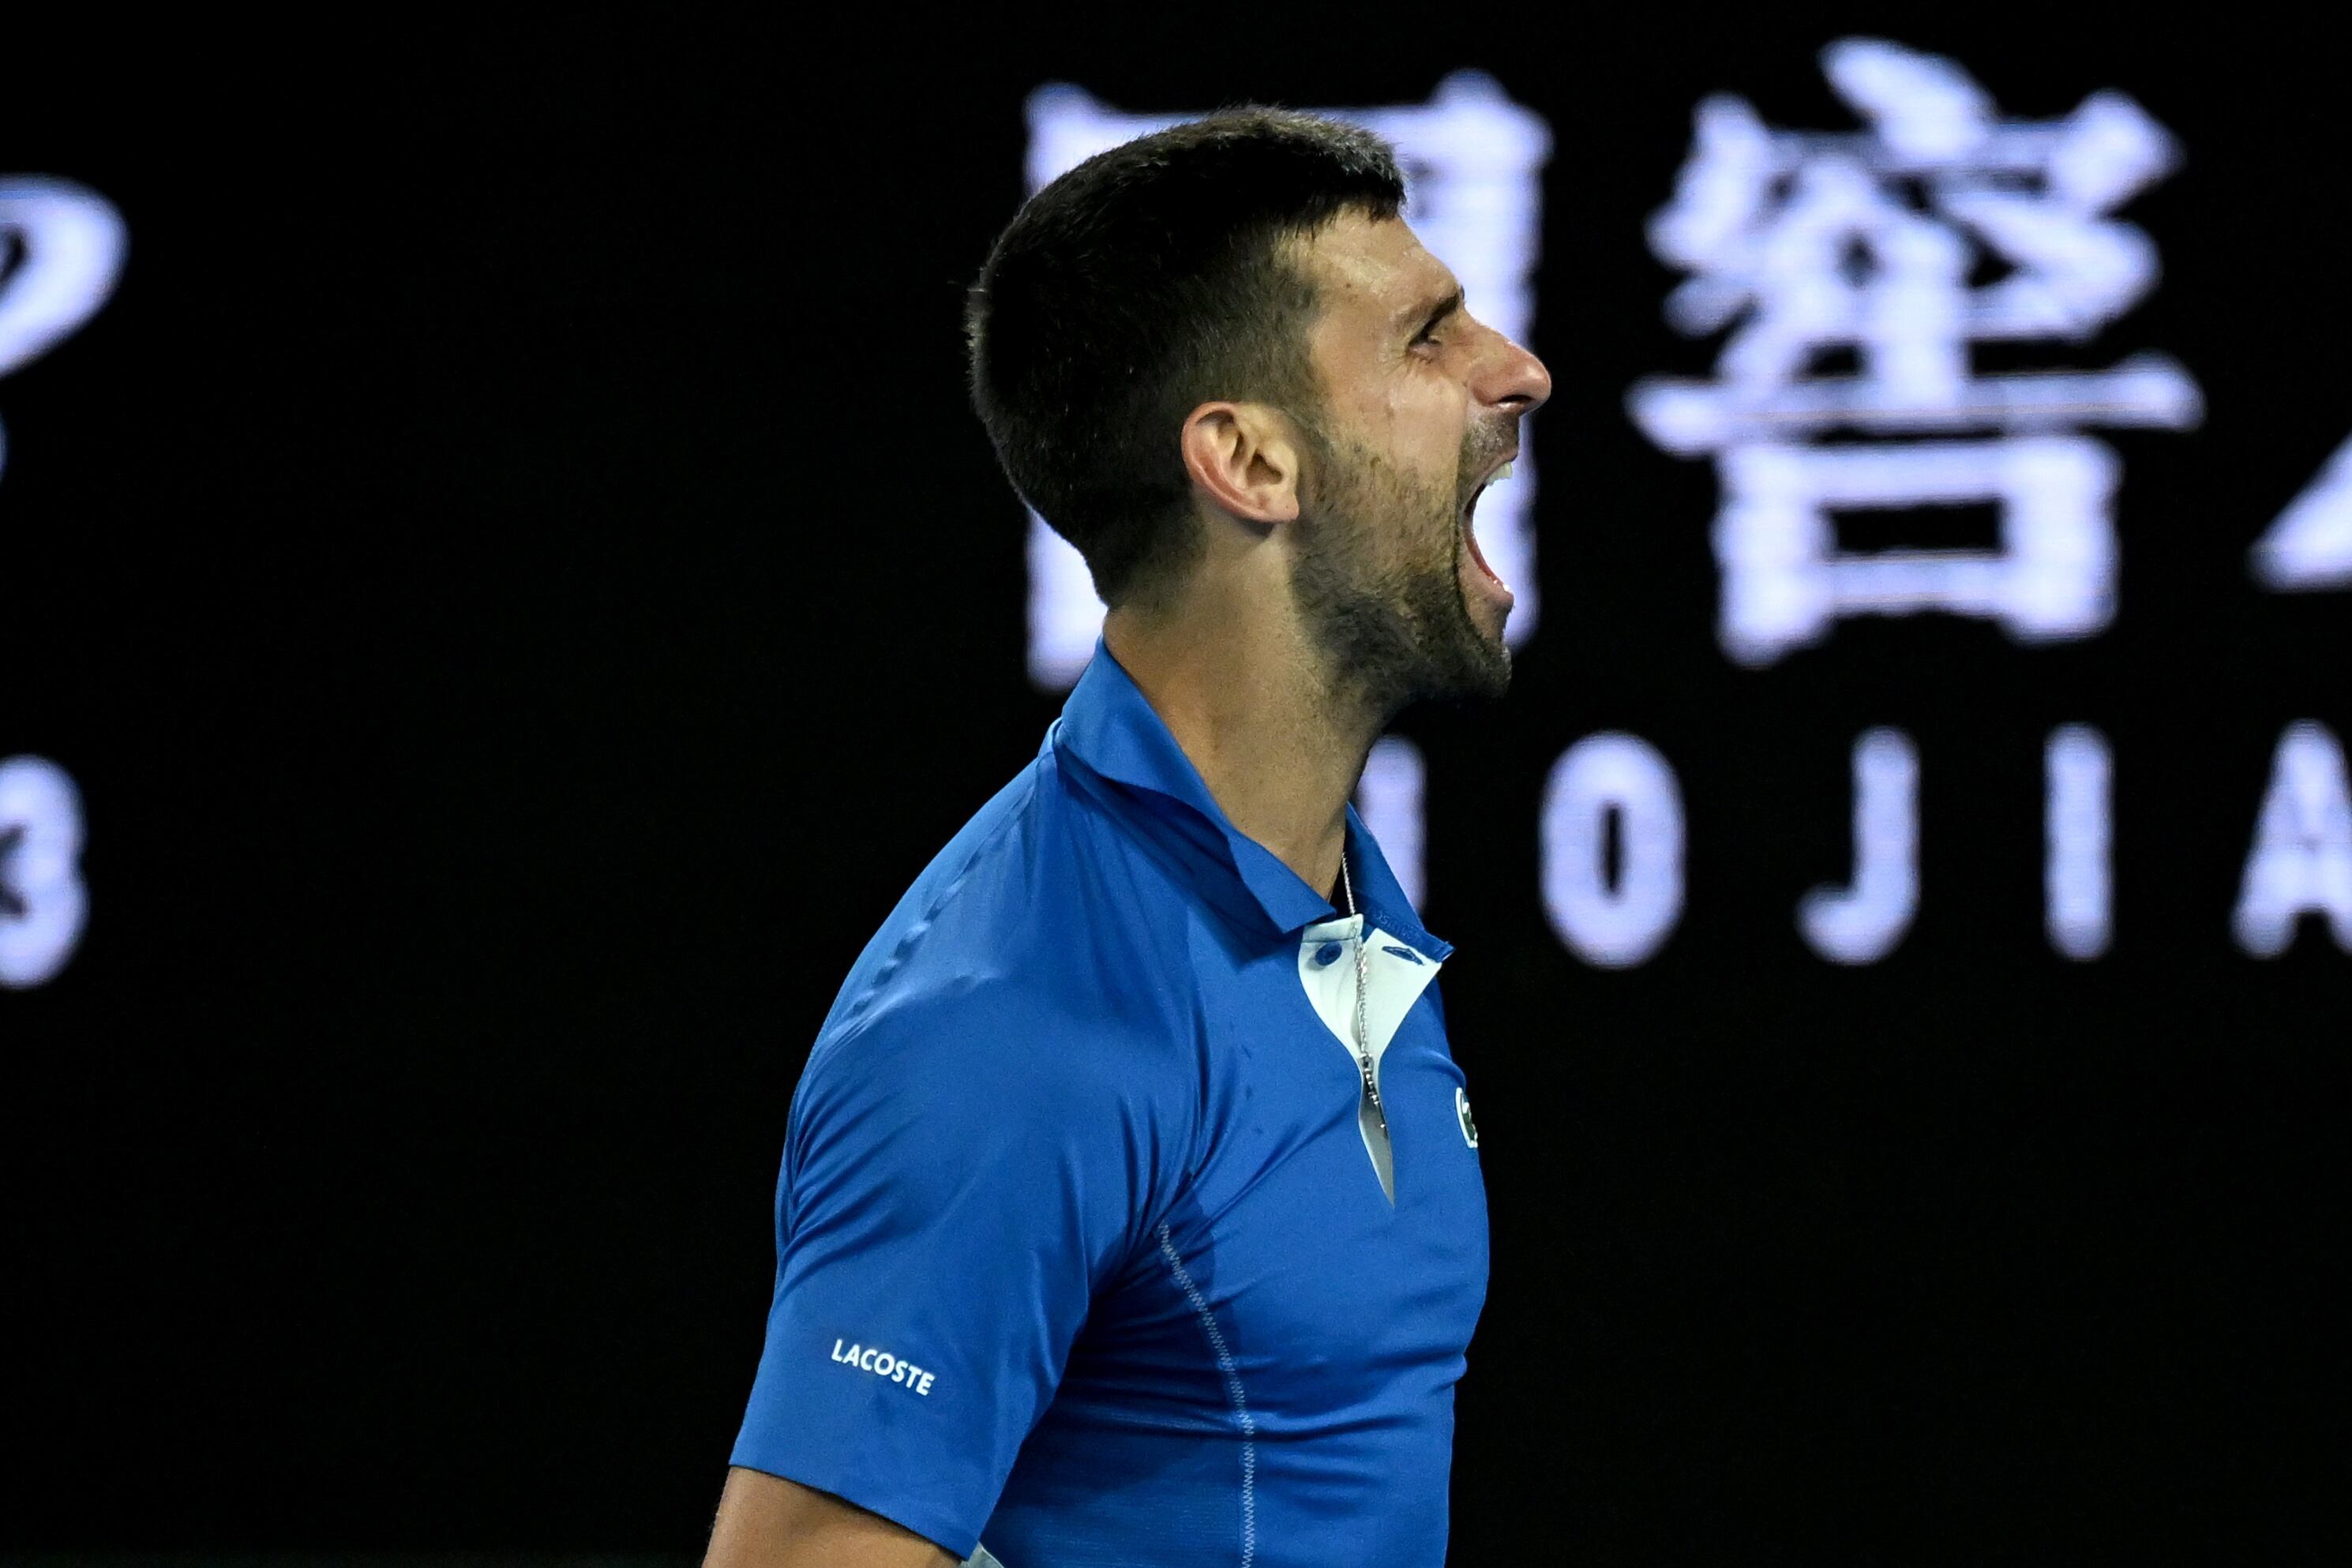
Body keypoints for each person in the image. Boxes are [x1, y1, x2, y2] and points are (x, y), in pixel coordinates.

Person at [703, 106, 1551, 1568]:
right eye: (1428, 337)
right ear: (1250, 462)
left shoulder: (1331, 898)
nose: (1515, 372)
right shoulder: (1009, 1021)